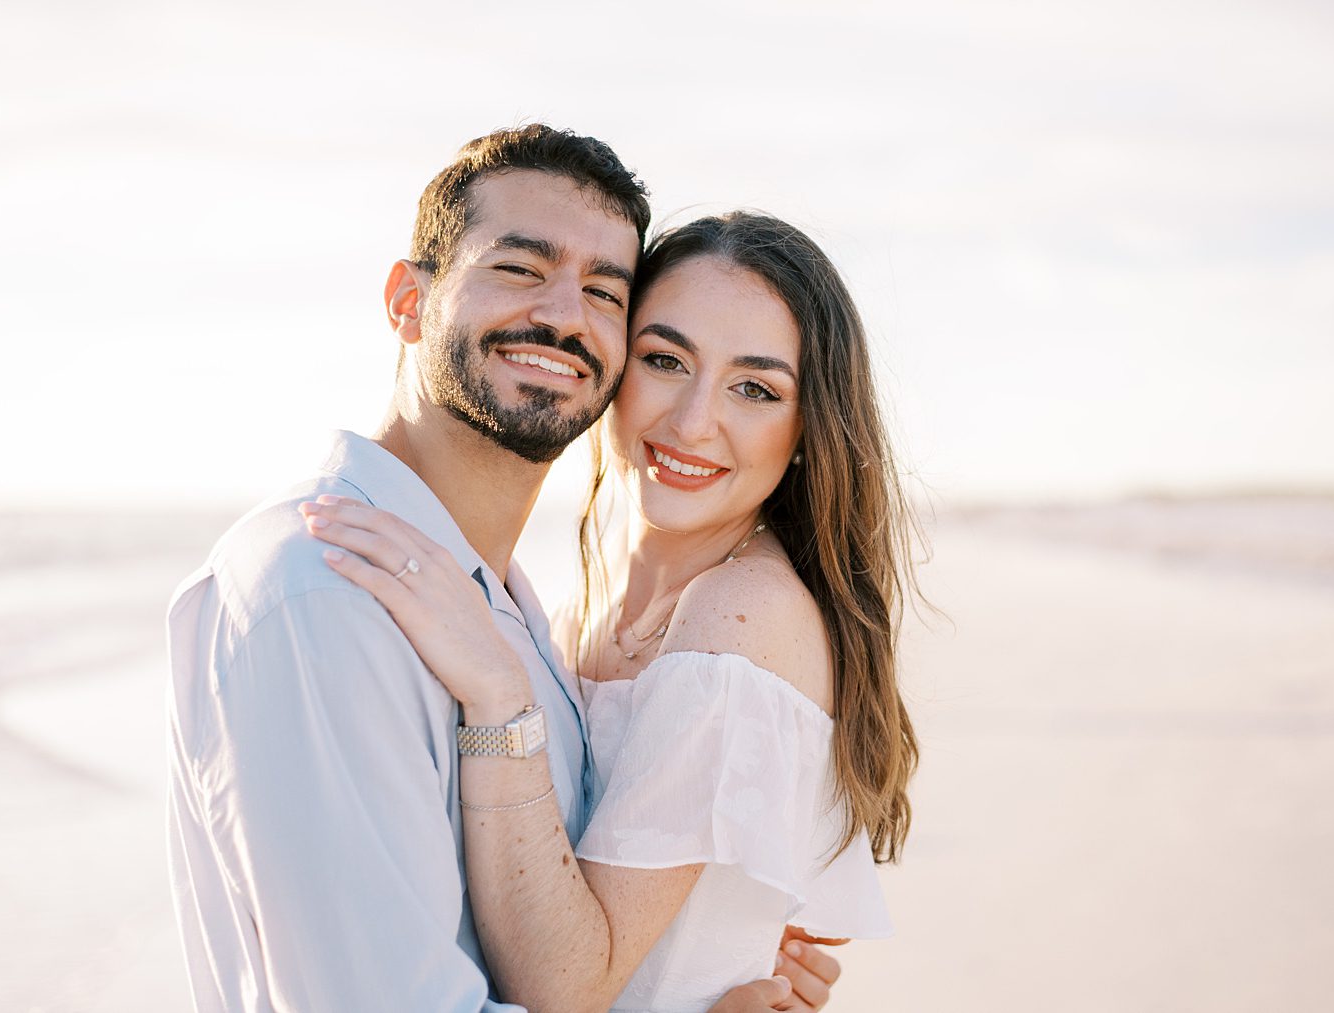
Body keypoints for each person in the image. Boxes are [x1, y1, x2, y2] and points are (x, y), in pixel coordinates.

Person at [166, 127, 839, 1012]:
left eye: (605, 291)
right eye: (521, 267)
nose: (565, 314)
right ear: (408, 301)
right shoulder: (328, 592)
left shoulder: (509, 606)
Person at [301, 211, 923, 1012]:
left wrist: (501, 695)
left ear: (807, 429)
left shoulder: (742, 620)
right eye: (666, 359)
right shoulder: (578, 609)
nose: (694, 421)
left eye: (756, 388)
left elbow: (563, 985)